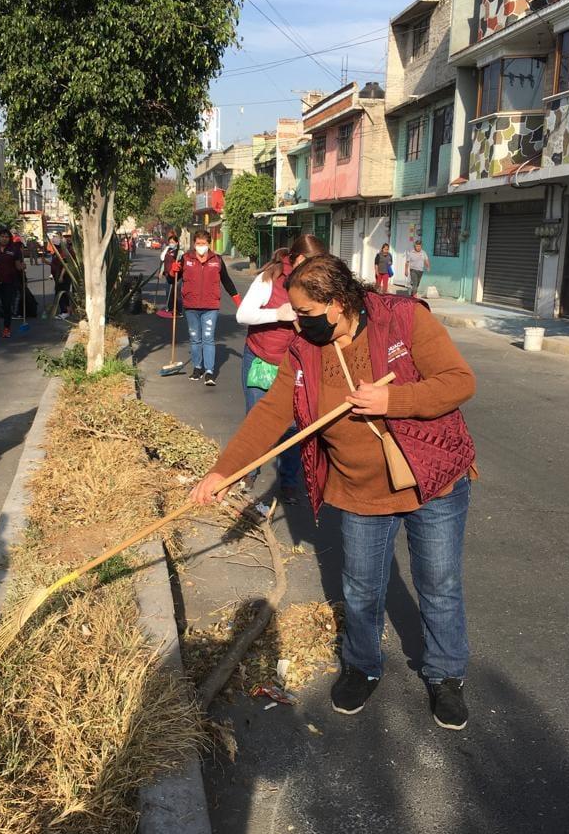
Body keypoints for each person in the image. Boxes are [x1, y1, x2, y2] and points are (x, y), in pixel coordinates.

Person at [191, 255, 477, 731]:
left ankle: (446, 675)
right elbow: (270, 414)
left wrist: (394, 400)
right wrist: (224, 471)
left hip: (433, 482)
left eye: (305, 312)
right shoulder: (304, 347)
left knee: (439, 585)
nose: (296, 321)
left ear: (340, 302)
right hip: (359, 489)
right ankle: (362, 665)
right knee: (362, 588)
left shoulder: (404, 319)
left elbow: (459, 381)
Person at [236, 233, 328, 503]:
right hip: (260, 358)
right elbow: (243, 315)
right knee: (257, 418)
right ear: (298, 259)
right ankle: (249, 469)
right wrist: (278, 314)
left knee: (293, 423)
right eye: (312, 263)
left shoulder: (316, 283)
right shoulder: (271, 277)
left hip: (293, 362)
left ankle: (288, 480)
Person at [168, 230, 241, 386]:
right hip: (191, 306)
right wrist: (172, 270)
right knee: (195, 339)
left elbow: (227, 282)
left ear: (209, 244)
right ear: (194, 244)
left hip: (211, 307)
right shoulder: (186, 258)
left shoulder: (217, 260)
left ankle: (209, 372)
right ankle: (197, 367)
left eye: (204, 244)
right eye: (198, 243)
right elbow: (172, 279)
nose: (201, 246)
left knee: (208, 339)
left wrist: (239, 303)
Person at [0, 227, 24, 338]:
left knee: (7, 306)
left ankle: (7, 328)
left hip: (9, 281)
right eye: (2, 236)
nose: (4, 239)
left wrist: (22, 267)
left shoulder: (14, 249)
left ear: (9, 238)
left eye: (7, 237)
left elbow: (17, 265)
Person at [45, 234, 71, 320]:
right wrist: (47, 262)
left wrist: (61, 276)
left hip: (63, 277)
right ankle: (67, 310)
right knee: (60, 293)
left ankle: (65, 312)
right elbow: (56, 265)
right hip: (58, 275)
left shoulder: (63, 252)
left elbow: (65, 265)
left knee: (61, 293)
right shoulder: (57, 252)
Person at [160, 231, 182, 315]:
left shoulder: (180, 252)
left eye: (173, 242)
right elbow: (164, 261)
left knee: (177, 293)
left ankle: (179, 310)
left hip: (177, 276)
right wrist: (161, 271)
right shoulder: (168, 250)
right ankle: (169, 308)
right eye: (170, 242)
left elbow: (181, 264)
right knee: (168, 291)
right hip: (168, 274)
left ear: (177, 242)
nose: (171, 243)